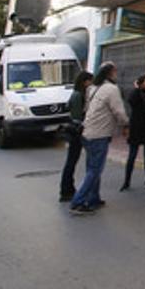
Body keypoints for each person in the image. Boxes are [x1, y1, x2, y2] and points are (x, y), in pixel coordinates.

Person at [70, 62, 128, 216]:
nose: (117, 74)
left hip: (87, 132)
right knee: (95, 170)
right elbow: (119, 111)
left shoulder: (92, 88)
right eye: (115, 71)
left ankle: (94, 198)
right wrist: (126, 124)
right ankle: (78, 201)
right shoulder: (111, 89)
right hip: (99, 134)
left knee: (92, 167)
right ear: (111, 73)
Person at [59, 70, 93, 202]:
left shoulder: (75, 94)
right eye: (90, 81)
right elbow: (78, 117)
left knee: (71, 161)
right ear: (85, 82)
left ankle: (67, 188)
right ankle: (66, 189)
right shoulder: (79, 96)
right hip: (76, 132)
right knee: (71, 161)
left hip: (73, 131)